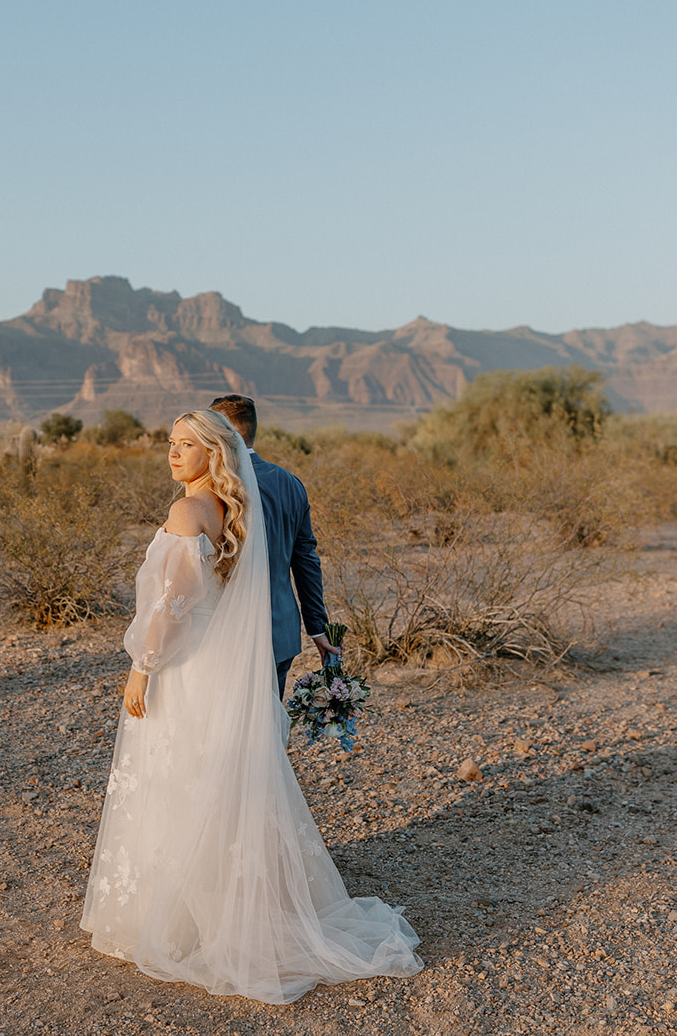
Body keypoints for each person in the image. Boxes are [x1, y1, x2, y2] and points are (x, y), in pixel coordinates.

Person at [80, 409, 422, 1004]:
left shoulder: (189, 511)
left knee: (189, 778)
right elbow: (300, 560)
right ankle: (231, 898)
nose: (173, 453)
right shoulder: (243, 502)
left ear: (216, 450)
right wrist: (322, 633)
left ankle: (186, 914)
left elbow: (173, 604)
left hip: (189, 666)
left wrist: (141, 668)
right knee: (235, 774)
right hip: (238, 657)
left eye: (187, 445)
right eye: (170, 443)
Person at [208, 394, 337, 698]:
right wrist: (317, 628)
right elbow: (306, 560)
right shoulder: (290, 483)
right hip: (279, 631)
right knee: (265, 731)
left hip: (222, 633)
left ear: (223, 433)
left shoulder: (212, 485)